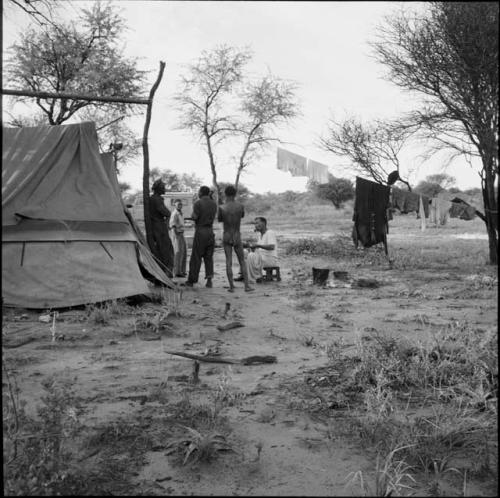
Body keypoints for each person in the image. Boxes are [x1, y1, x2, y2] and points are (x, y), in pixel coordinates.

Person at [218, 185, 254, 293]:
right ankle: (247, 286)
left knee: (228, 261)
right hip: (237, 234)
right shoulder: (240, 206)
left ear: (225, 194)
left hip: (227, 234)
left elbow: (220, 219)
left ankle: (232, 287)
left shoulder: (221, 207)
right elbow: (242, 216)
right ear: (235, 194)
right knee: (242, 261)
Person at [185, 186, 217, 288]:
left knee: (196, 257)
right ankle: (209, 281)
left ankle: (192, 280)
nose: (197, 193)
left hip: (201, 231)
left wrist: (191, 214)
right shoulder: (213, 203)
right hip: (210, 231)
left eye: (198, 191)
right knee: (208, 257)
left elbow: (195, 217)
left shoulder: (198, 203)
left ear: (201, 192)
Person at [240, 217, 278, 284]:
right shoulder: (259, 234)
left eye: (257, 223)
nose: (255, 225)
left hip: (269, 259)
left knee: (251, 255)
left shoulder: (270, 232)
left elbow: (272, 247)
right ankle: (243, 275)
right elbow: (258, 248)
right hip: (261, 257)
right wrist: (249, 246)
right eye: (255, 224)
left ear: (263, 223)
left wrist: (258, 245)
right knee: (244, 252)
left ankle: (256, 277)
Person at [149, 179, 174, 277]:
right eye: (163, 187)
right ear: (158, 189)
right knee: (165, 250)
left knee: (162, 249)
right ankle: (166, 271)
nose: (165, 189)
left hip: (156, 227)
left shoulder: (153, 198)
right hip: (159, 228)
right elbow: (166, 212)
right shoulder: (157, 199)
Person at [169, 199, 187, 277]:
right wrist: (176, 235)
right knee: (178, 252)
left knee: (183, 252)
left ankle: (182, 270)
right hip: (177, 234)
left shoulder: (180, 213)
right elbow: (172, 225)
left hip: (181, 233)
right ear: (175, 205)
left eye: (181, 204)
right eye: (178, 204)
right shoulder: (175, 213)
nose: (180, 205)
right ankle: (177, 272)